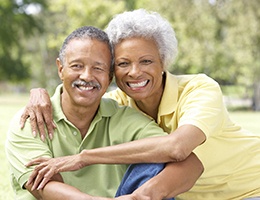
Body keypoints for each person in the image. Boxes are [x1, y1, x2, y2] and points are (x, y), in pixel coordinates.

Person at [20, 9, 260, 199]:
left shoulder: (199, 89)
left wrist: (84, 157)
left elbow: (177, 148)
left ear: (163, 61)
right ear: (113, 70)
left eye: (146, 61)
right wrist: (39, 94)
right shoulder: (117, 104)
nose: (134, 73)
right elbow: (79, 91)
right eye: (123, 63)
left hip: (248, 190)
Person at [6, 25, 203, 200]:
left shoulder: (124, 118)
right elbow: (43, 188)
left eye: (98, 68)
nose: (86, 76)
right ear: (60, 69)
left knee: (154, 167)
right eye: (77, 66)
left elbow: (191, 164)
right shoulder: (31, 120)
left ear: (109, 78)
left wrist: (142, 196)